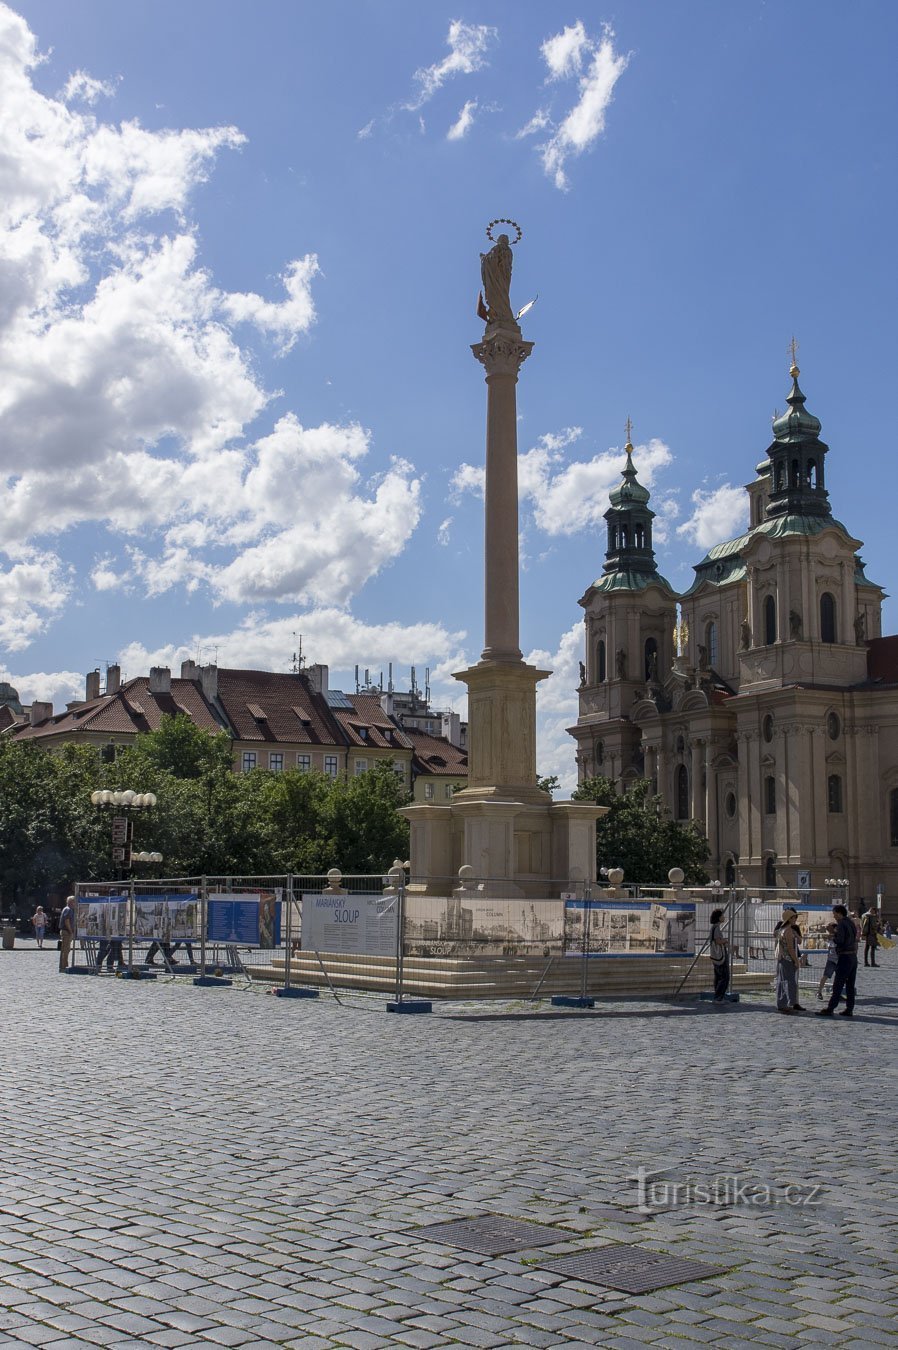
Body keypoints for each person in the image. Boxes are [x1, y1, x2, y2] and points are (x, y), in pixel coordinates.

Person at [817, 904, 858, 1017]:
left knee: (838, 984)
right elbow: (854, 937)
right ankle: (849, 1009)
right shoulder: (851, 922)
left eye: (834, 914)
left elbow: (840, 940)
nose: (834, 916)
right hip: (853, 957)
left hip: (844, 957)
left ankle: (830, 1008)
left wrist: (832, 936)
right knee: (850, 985)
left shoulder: (841, 924)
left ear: (839, 913)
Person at [774, 907, 804, 1012]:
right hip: (788, 959)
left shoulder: (782, 929)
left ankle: (782, 1003)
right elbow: (790, 949)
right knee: (790, 982)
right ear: (790, 918)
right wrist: (796, 961)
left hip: (782, 958)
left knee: (782, 981)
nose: (795, 919)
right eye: (794, 917)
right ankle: (786, 1003)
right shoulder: (788, 931)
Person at [708, 908, 730, 1002]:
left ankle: (718, 996)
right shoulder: (716, 928)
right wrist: (725, 941)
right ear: (718, 917)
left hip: (716, 956)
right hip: (720, 956)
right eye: (722, 916)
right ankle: (719, 997)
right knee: (724, 977)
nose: (723, 917)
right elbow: (717, 941)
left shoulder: (714, 927)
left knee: (718, 976)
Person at [816, 923, 839, 1001]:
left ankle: (837, 993)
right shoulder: (830, 936)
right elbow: (831, 945)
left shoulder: (838, 935)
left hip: (839, 959)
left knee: (839, 977)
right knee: (825, 976)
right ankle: (819, 991)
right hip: (832, 959)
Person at [58, 896, 75, 973]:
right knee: (65, 949)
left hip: (66, 931)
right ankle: (63, 966)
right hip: (66, 932)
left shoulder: (67, 909)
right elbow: (67, 921)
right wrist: (71, 931)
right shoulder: (68, 910)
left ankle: (64, 965)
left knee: (66, 949)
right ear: (72, 902)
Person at [861, 902, 881, 967]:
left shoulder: (865, 916)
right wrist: (878, 924)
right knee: (872, 948)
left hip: (867, 934)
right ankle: (872, 963)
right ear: (874, 911)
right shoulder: (872, 917)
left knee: (867, 948)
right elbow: (874, 926)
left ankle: (866, 962)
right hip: (872, 934)